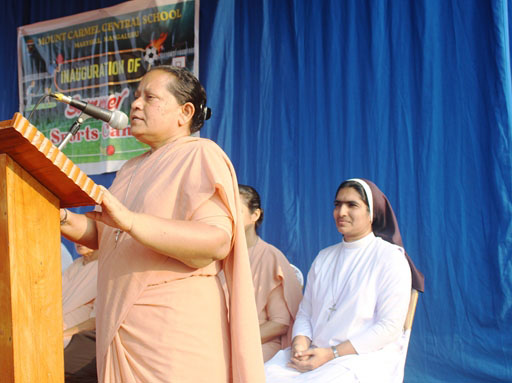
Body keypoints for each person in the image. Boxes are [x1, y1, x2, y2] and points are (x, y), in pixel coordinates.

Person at [60, 65, 264, 382]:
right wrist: (59, 217)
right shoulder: (130, 169)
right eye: (136, 96)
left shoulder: (201, 154)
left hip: (170, 335)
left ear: (185, 112)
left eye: (150, 97)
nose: (135, 104)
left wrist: (131, 221)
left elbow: (215, 241)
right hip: (122, 326)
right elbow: (106, 236)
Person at [265, 178, 425, 382]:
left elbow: (389, 327)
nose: (341, 212)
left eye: (352, 205)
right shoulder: (324, 257)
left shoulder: (390, 258)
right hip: (316, 352)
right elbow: (305, 313)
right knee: (260, 375)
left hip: (362, 358)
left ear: (372, 213)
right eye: (337, 204)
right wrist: (299, 346)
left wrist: (332, 354)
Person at [239, 184, 303, 361]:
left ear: (255, 215)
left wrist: (237, 342)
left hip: (257, 344)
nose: (230, 217)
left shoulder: (270, 257)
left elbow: (279, 323)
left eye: (237, 210)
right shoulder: (216, 254)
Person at [63, 243, 99, 383]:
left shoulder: (106, 267)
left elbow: (96, 321)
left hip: (77, 340)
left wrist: (62, 334)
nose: (79, 241)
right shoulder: (76, 265)